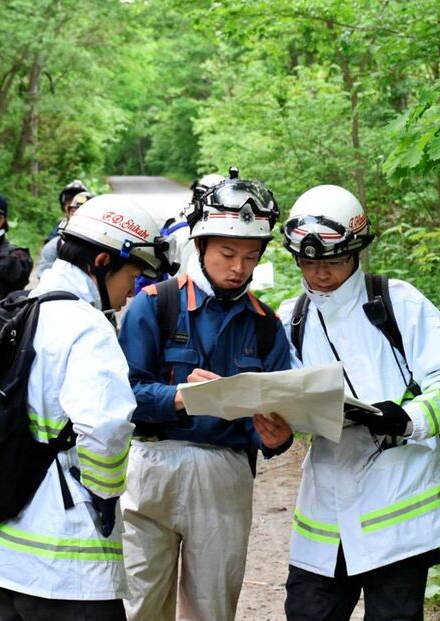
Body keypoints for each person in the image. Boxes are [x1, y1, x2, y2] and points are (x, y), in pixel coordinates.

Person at [277, 185, 440, 621]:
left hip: (399, 513)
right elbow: (284, 399)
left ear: (356, 253)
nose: (320, 275)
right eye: (309, 263)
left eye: (332, 262)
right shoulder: (291, 318)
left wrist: (408, 419)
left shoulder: (398, 302)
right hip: (325, 516)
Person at [0, 195, 174, 620]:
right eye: (132, 275)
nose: (130, 292)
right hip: (64, 561)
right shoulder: (87, 325)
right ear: (102, 262)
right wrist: (103, 500)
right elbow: (106, 430)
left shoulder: (19, 307)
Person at [118, 167, 294, 621]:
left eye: (251, 257)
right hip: (151, 466)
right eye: (227, 253)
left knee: (213, 609)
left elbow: (278, 412)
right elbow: (122, 396)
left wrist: (277, 439)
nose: (239, 268)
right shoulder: (155, 304)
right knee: (139, 607)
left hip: (225, 473)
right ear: (199, 245)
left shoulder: (266, 325)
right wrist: (177, 396)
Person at [36, 190, 93, 277]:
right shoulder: (53, 247)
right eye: (74, 213)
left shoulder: (106, 250)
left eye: (85, 215)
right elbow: (44, 279)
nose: (78, 219)